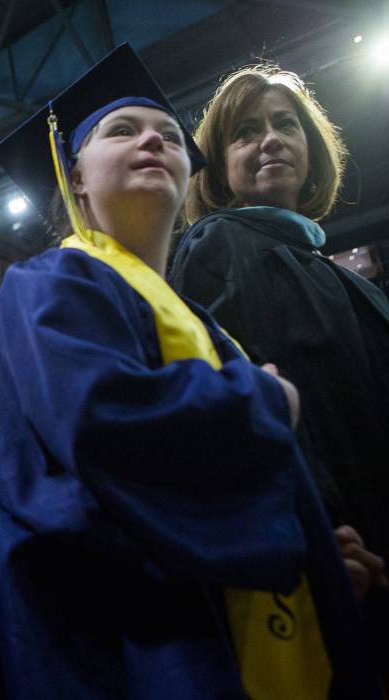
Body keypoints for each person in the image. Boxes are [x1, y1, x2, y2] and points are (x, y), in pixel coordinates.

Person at [0, 44, 380, 698]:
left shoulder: (200, 323)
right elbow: (104, 425)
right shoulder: (48, 281)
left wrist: (311, 548)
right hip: (138, 640)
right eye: (123, 131)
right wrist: (261, 401)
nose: (152, 141)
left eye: (169, 135)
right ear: (74, 176)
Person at [169, 64, 389, 620]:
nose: (270, 139)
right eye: (245, 131)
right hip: (337, 551)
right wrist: (313, 527)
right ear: (219, 165)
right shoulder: (221, 245)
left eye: (285, 124)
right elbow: (238, 409)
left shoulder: (344, 278)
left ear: (308, 146)